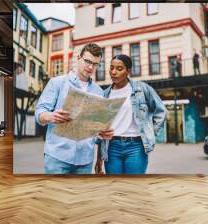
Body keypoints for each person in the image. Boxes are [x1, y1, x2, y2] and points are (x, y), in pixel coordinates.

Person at [35, 43, 113, 174]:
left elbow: (94, 127)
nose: (90, 67)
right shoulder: (57, 83)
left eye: (95, 64)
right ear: (78, 58)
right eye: (87, 61)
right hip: (57, 157)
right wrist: (51, 116)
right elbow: (39, 113)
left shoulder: (98, 91)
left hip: (85, 160)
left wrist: (101, 132)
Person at [95, 54, 167, 175]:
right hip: (111, 147)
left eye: (119, 69)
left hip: (136, 147)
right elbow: (101, 130)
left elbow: (161, 111)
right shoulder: (105, 94)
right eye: (111, 68)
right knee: (115, 187)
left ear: (128, 71)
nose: (114, 72)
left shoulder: (142, 89)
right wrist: (98, 160)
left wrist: (150, 132)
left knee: (133, 187)